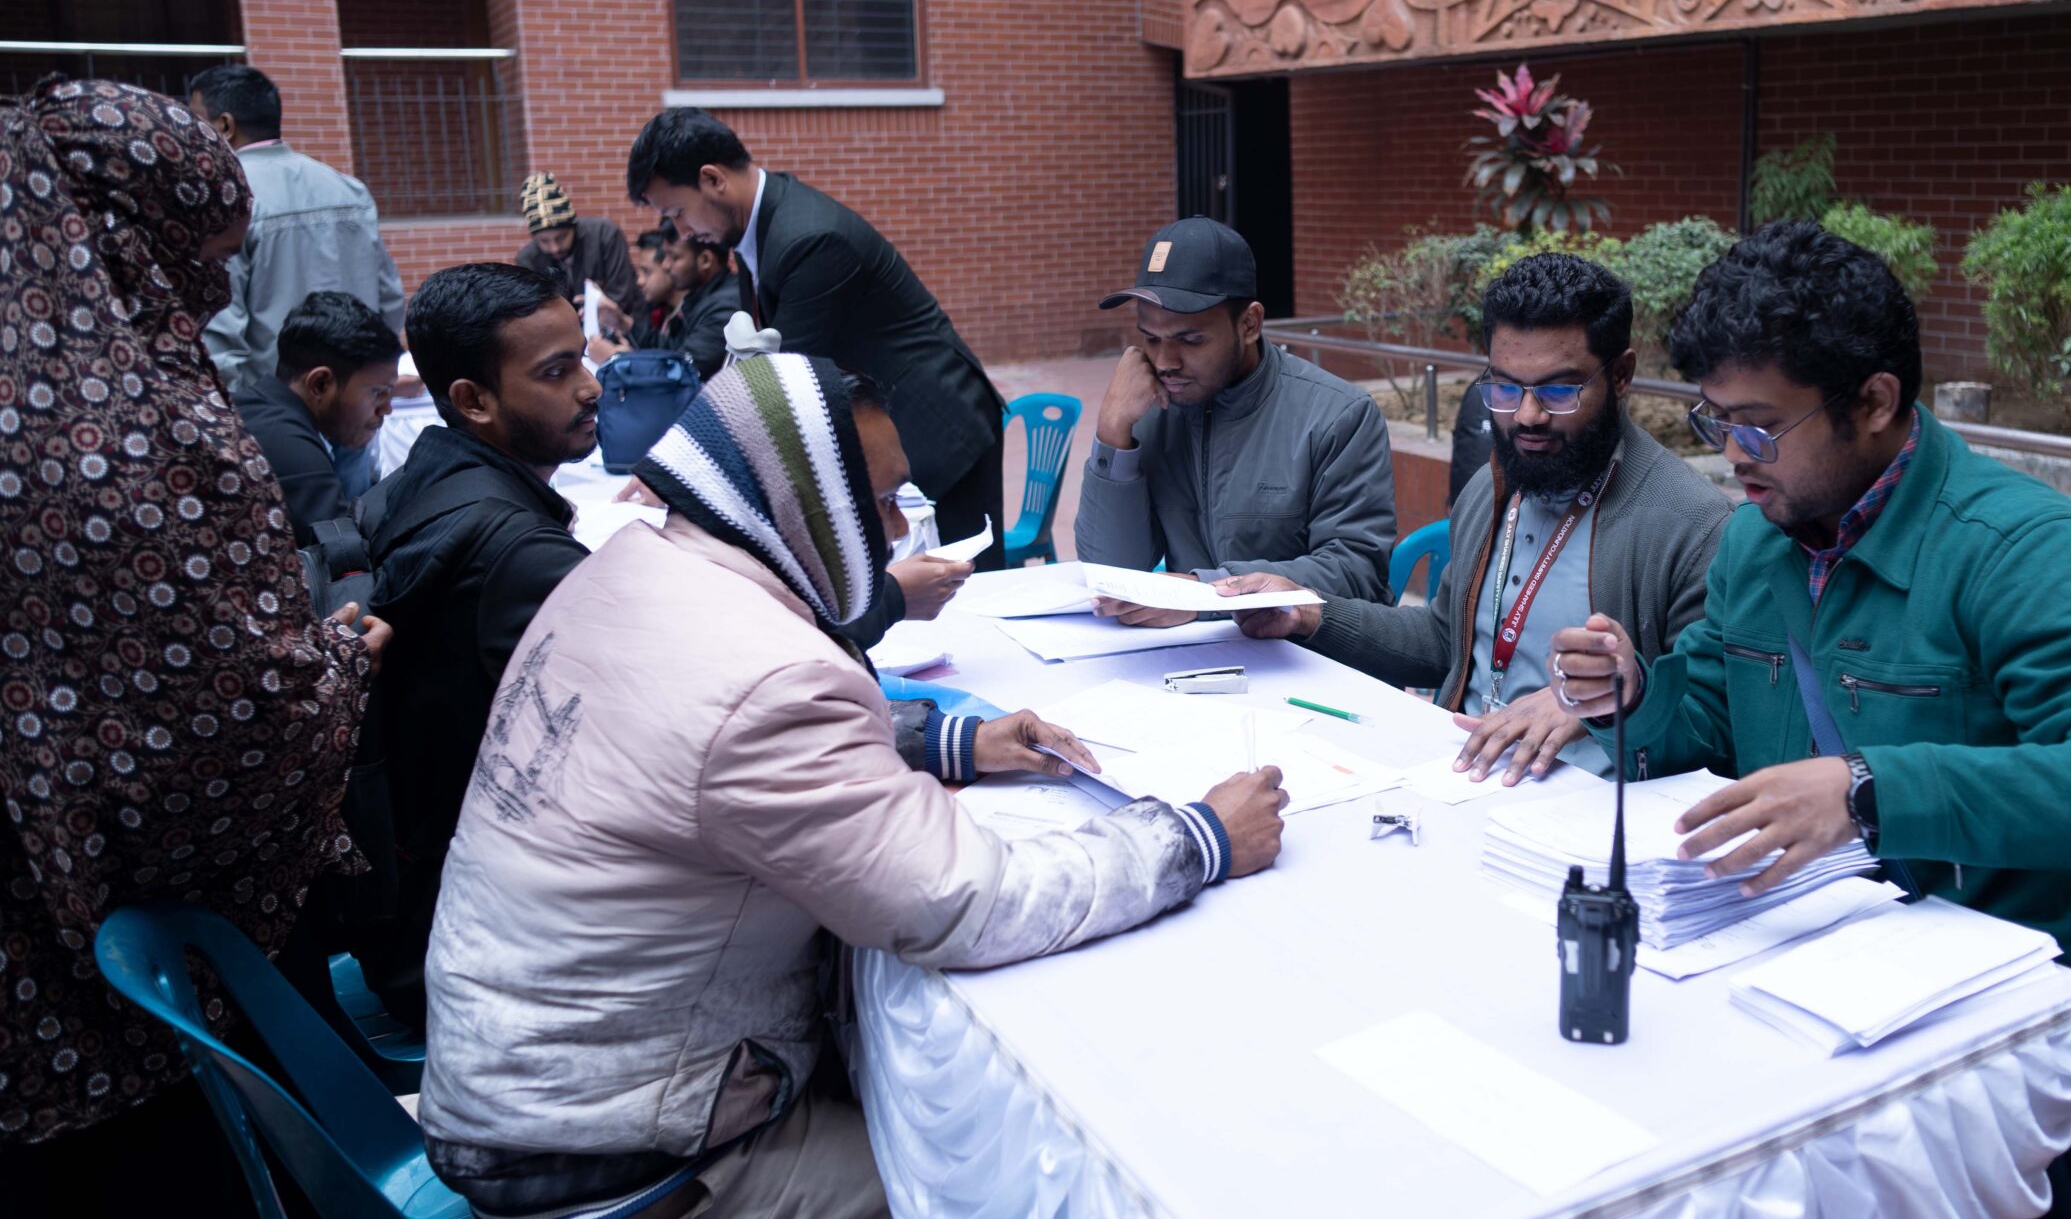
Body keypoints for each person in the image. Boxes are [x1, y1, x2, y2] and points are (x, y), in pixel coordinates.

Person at [419, 354, 1290, 1219]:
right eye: (877, 501)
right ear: (802, 503)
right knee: (1024, 1201)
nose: (895, 529)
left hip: (528, 1096)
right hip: (627, 1180)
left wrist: (954, 742)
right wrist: (1195, 836)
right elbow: (967, 901)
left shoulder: (639, 566)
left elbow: (705, 746)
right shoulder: (767, 676)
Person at [1547, 222, 2071, 978]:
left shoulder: (2023, 550)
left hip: (2000, 989)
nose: (1732, 454)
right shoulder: (1756, 539)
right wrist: (1631, 698)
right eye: (1718, 420)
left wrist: (1868, 792)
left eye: (1761, 427)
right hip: (1799, 952)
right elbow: (1709, 727)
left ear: (1873, 401)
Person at [0, 79, 383, 1219]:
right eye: (204, 259)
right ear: (122, 242)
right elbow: (217, 722)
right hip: (106, 1005)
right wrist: (336, 666)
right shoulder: (110, 440)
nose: (215, 294)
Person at [1226, 253, 1729, 779]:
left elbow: (1710, 736)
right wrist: (1312, 614)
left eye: (1559, 391)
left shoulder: (1694, 525)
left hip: (1594, 805)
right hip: (1460, 779)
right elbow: (1446, 641)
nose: (1527, 416)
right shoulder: (1493, 486)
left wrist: (1612, 702)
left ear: (1621, 376)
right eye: (1506, 388)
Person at [351, 262, 601, 1027]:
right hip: (476, 947)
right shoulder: (519, 554)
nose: (591, 386)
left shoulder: (420, 474)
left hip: (416, 905)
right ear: (472, 401)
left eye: (584, 357)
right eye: (557, 371)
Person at [627, 109, 1010, 592]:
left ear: (712, 179)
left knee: (968, 589)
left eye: (677, 212)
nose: (681, 231)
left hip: (937, 425)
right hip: (890, 424)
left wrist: (681, 471)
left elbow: (780, 386)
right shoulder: (758, 227)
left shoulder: (811, 239)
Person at [1075, 216, 1396, 624]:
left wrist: (1204, 594)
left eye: (1190, 340)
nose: (1165, 361)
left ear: (1249, 324)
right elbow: (1108, 572)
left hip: (1308, 654)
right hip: (1190, 653)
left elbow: (1356, 571)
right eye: (1151, 338)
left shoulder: (1338, 415)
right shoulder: (1152, 407)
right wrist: (1112, 433)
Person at [187, 62, 407, 394]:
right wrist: (373, 385)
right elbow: (389, 300)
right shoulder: (349, 189)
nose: (189, 136)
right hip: (354, 398)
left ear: (225, 125)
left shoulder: (226, 199)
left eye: (195, 121)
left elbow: (221, 329)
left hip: (274, 402)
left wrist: (242, 404)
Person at [234, 290, 403, 545]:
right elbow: (347, 555)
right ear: (320, 383)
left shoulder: (258, 411)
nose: (386, 409)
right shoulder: (289, 446)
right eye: (378, 393)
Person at [592, 229, 743, 384]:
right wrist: (624, 324)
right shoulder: (702, 299)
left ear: (705, 260)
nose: (666, 265)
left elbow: (682, 373)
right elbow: (673, 350)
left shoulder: (724, 306)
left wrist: (619, 359)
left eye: (674, 257)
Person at [515, 170, 644, 323]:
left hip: (624, 325)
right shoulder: (528, 259)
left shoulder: (605, 235)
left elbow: (621, 293)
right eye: (544, 241)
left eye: (561, 237)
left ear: (574, 226)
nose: (555, 248)